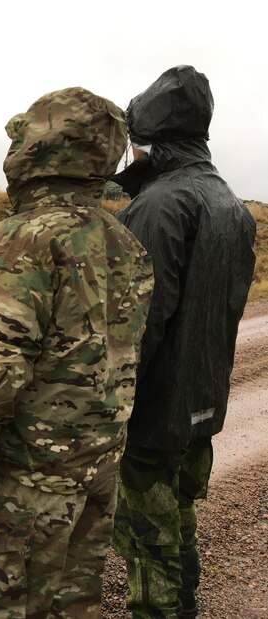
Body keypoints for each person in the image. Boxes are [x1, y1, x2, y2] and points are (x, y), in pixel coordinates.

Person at [0, 87, 154, 618]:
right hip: (96, 476)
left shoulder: (22, 238)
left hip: (26, 485)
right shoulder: (125, 242)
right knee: (73, 607)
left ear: (34, 148)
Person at [109, 65, 257, 619]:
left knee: (149, 540)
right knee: (180, 512)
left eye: (138, 142)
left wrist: (110, 406)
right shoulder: (231, 205)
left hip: (155, 411)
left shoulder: (157, 207)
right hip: (204, 400)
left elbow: (137, 328)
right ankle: (186, 600)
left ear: (153, 140)